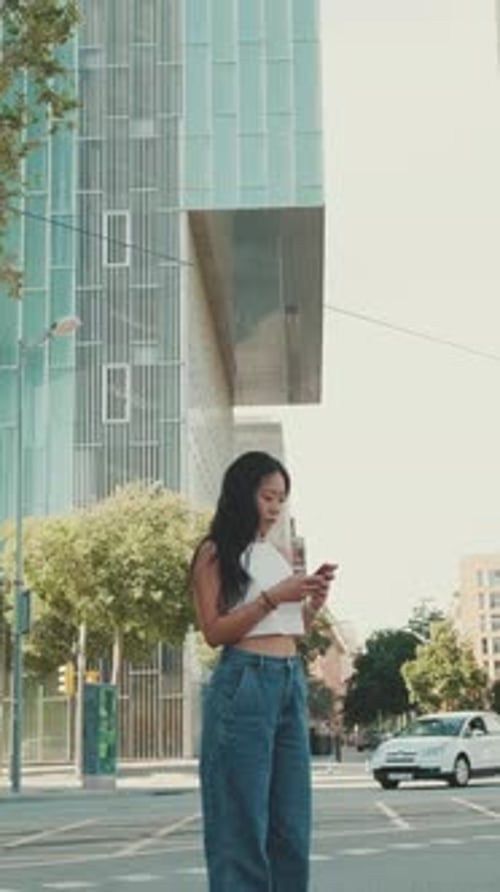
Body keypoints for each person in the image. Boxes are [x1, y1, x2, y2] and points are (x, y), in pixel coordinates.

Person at [190, 451, 337, 891]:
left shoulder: (273, 555)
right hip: (246, 682)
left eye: (281, 499)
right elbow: (214, 631)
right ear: (243, 495)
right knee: (240, 824)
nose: (275, 508)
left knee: (291, 824)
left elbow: (288, 630)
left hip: (289, 680)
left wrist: (312, 604)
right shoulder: (214, 552)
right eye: (267, 497)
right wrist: (274, 596)